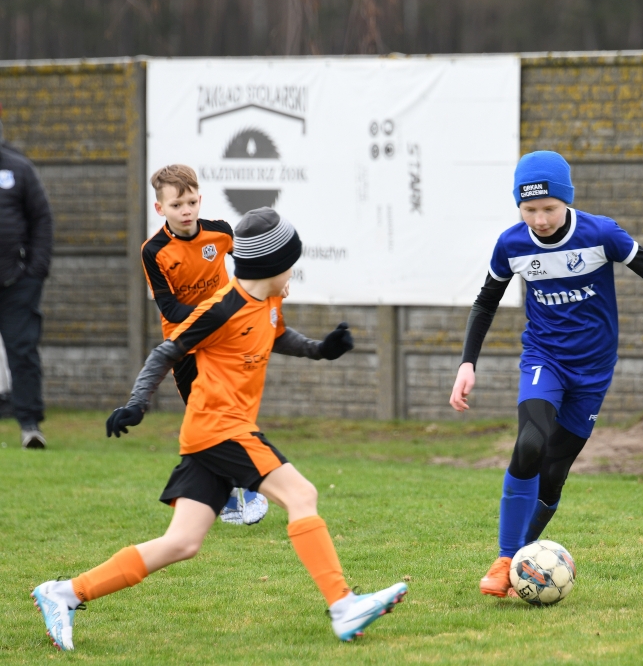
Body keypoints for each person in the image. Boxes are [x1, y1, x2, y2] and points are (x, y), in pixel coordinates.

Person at [31, 208, 406, 651]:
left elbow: (276, 334)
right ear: (271, 265)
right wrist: (136, 404)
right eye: (290, 263)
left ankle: (65, 593)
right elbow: (166, 352)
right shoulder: (220, 309)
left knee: (181, 543)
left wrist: (320, 349)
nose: (293, 272)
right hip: (221, 429)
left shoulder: (270, 300)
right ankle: (343, 606)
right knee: (301, 495)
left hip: (208, 435)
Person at [448, 151, 643, 599]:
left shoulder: (600, 234)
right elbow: (485, 302)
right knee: (530, 444)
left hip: (592, 372)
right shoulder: (511, 245)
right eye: (529, 210)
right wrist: (467, 362)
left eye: (549, 208)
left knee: (553, 474)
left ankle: (522, 563)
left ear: (567, 200)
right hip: (544, 360)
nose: (540, 220)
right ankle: (507, 559)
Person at [142, 164, 267, 525]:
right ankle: (224, 493)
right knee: (206, 420)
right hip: (185, 345)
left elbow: (251, 265)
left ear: (200, 199)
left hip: (226, 341)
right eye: (176, 205)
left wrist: (273, 281)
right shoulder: (154, 251)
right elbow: (169, 308)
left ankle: (251, 489)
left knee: (234, 412)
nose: (186, 211)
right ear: (160, 208)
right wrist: (218, 312)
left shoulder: (221, 233)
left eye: (192, 202)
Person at [0, 108, 54, 448]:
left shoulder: (19, 168)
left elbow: (42, 219)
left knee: (22, 351)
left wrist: (35, 271)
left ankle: (30, 425)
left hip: (16, 282)